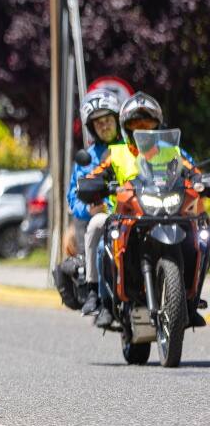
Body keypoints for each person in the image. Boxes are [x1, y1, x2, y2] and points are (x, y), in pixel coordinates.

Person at [81, 92, 203, 329]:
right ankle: (102, 300)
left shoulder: (172, 151)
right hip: (127, 215)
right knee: (103, 238)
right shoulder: (116, 153)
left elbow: (192, 171)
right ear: (126, 128)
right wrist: (94, 185)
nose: (142, 129)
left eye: (147, 123)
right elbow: (95, 175)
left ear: (158, 126)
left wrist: (200, 180)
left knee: (198, 237)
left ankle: (190, 301)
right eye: (136, 124)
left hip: (167, 209)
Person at [68, 89, 123, 316]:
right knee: (100, 238)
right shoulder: (87, 160)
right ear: (92, 128)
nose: (104, 126)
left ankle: (184, 296)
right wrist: (89, 208)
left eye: (108, 119)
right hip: (107, 217)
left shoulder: (134, 148)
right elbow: (74, 197)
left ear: (117, 120)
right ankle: (97, 294)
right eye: (98, 123)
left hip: (138, 210)